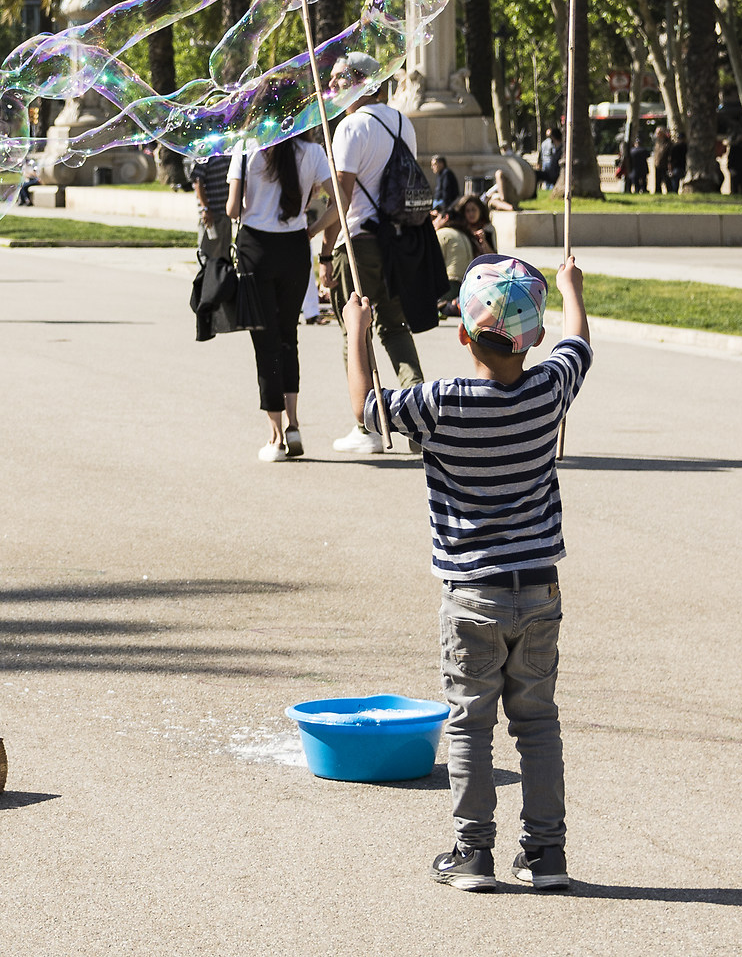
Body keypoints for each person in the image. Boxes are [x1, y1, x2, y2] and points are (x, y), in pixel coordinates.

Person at [346, 253, 589, 895]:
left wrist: (357, 331)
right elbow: (580, 346)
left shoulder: (439, 404)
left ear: (461, 332)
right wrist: (571, 288)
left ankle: (473, 852)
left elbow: (366, 408)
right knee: (537, 722)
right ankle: (546, 854)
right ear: (534, 337)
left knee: (470, 723)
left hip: (473, 593)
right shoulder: (549, 390)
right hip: (538, 589)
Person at [323, 52, 425, 452]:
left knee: (355, 330)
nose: (331, 85)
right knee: (394, 327)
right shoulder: (402, 122)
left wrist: (322, 246)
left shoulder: (350, 127)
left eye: (338, 78)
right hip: (395, 240)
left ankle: (366, 426)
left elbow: (342, 198)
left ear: (361, 82)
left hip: (359, 242)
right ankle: (417, 418)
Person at [229, 132, 333, 462]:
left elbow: (232, 209)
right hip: (294, 248)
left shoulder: (246, 148)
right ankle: (294, 424)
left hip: (256, 248)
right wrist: (313, 229)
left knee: (266, 341)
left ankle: (275, 436)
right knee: (289, 336)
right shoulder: (313, 151)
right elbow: (342, 200)